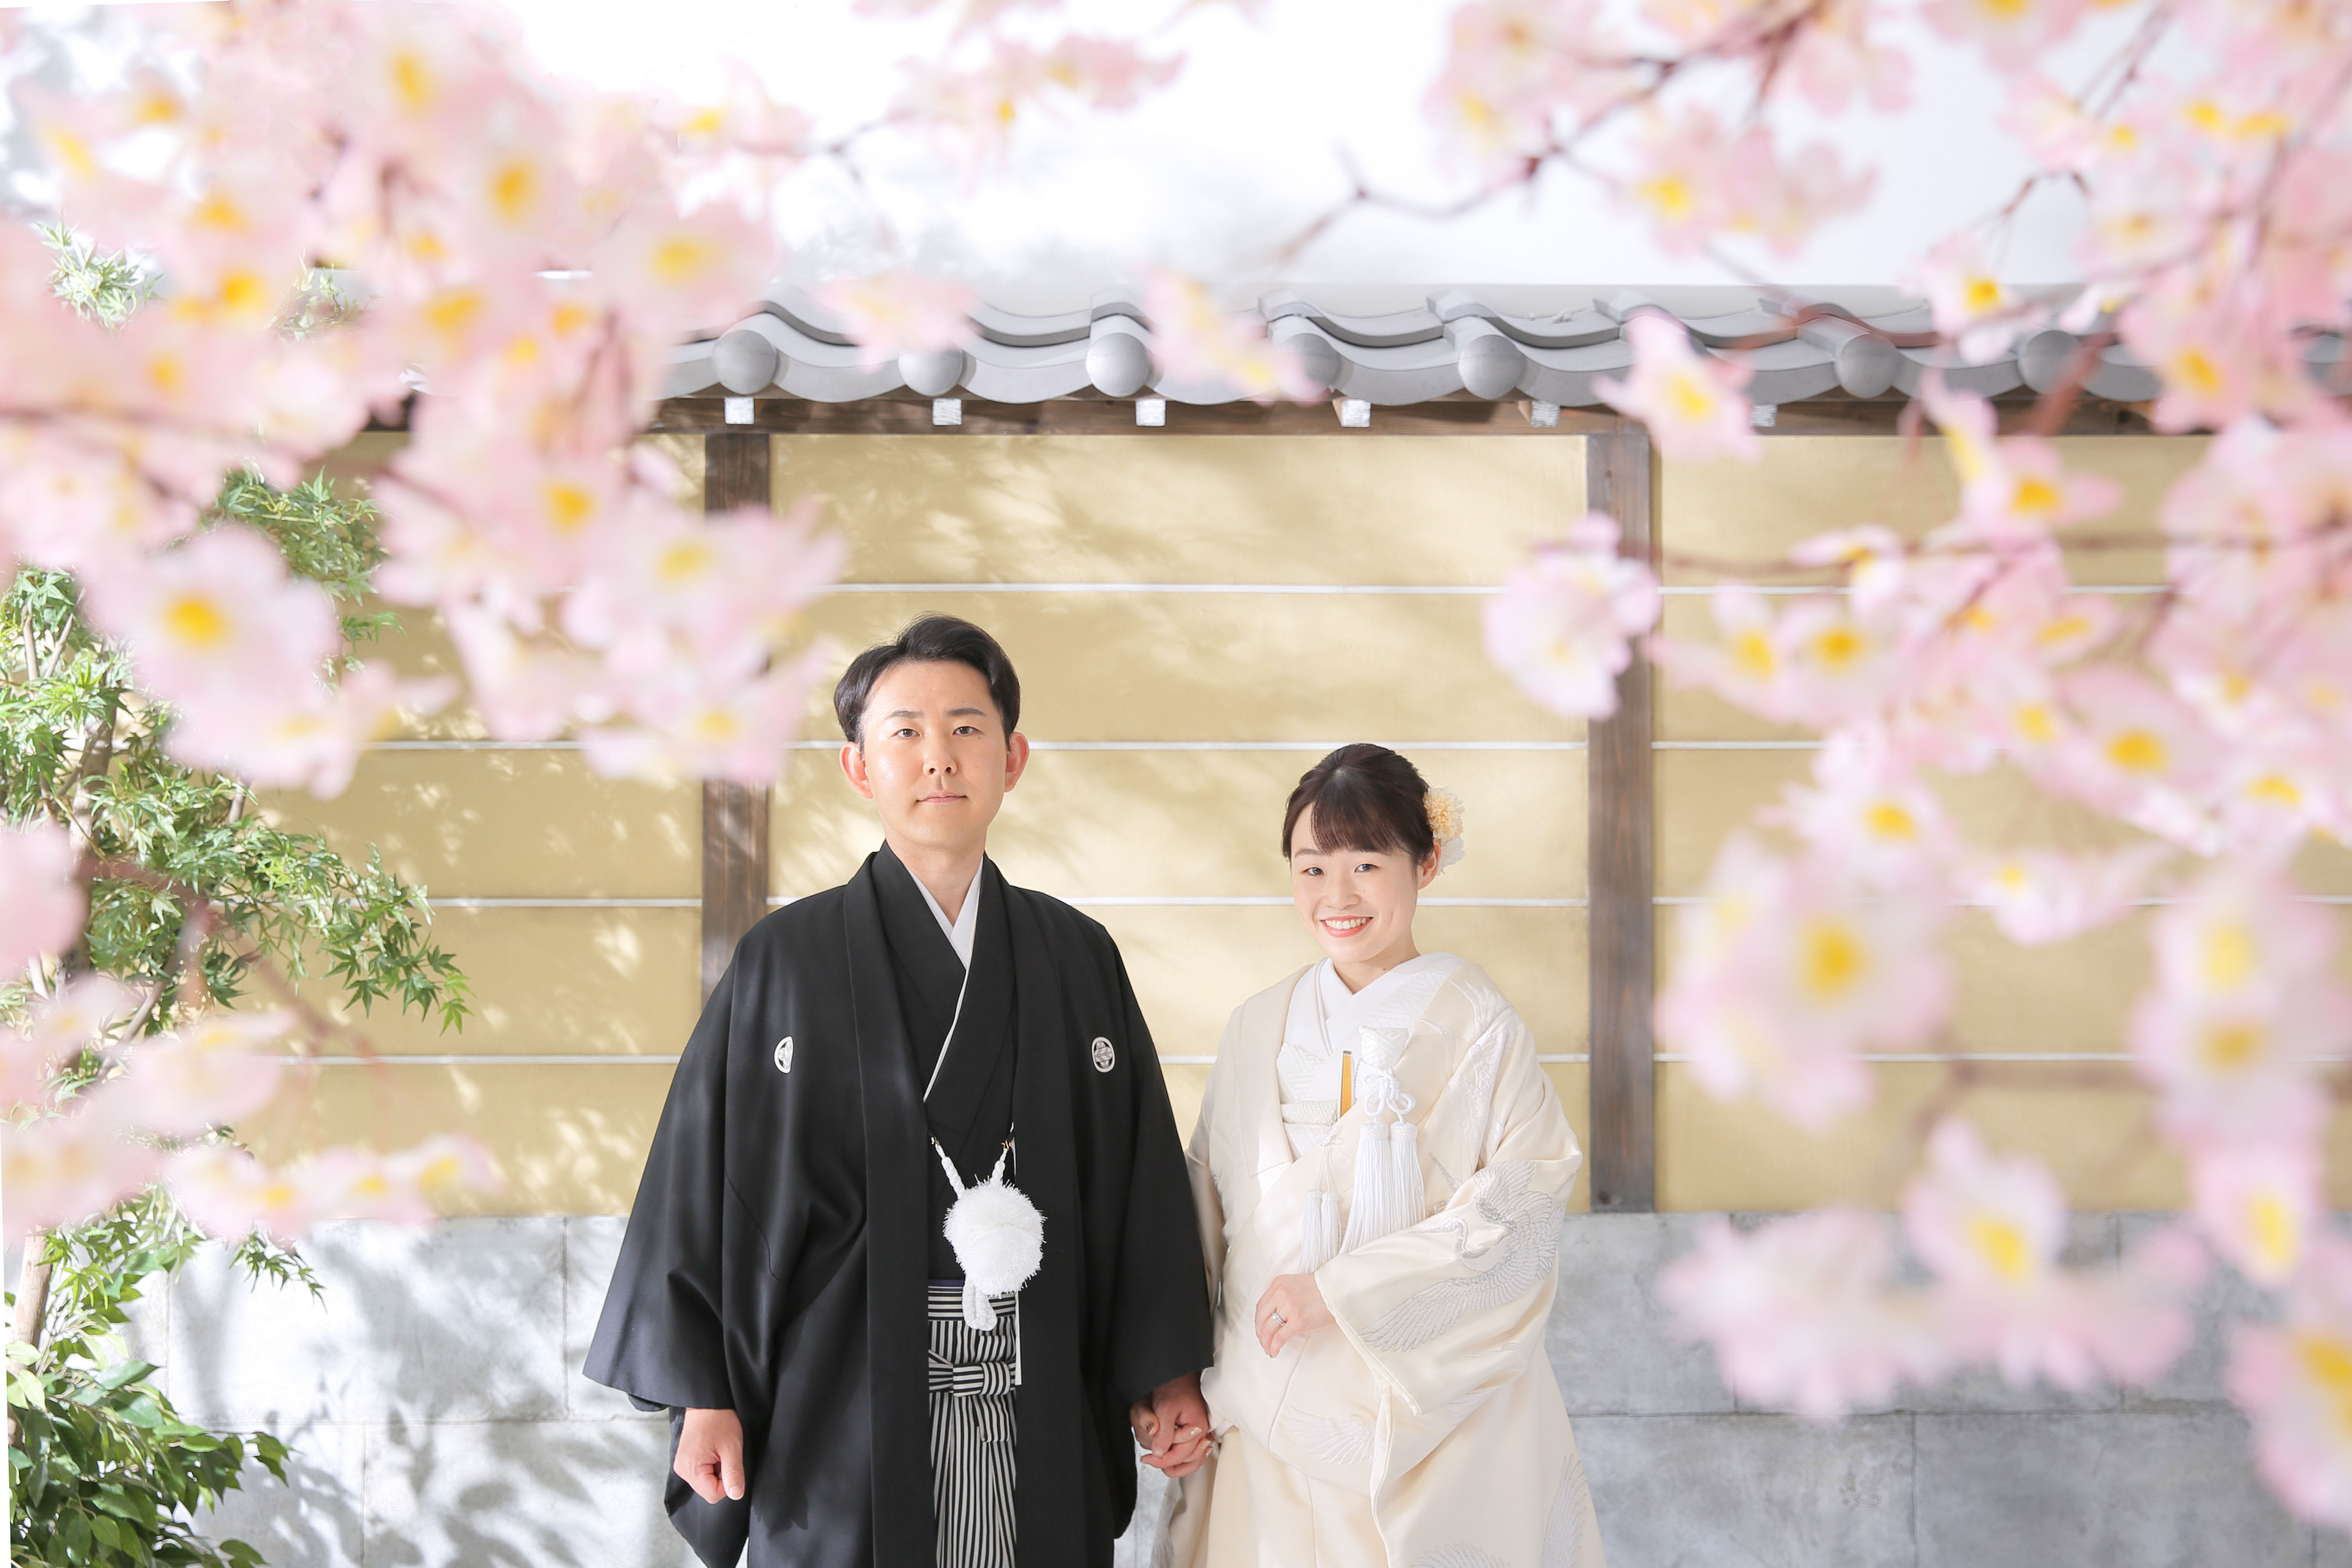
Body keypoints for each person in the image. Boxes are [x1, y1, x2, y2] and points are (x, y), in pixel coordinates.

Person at [586, 614, 1215, 1568]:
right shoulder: (785, 961)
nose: (938, 758)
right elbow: (704, 1183)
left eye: (966, 728)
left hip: (1038, 1380)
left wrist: (1164, 1371)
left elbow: (1137, 1183)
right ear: (858, 767)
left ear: (1013, 757)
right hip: (841, 1401)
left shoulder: (1076, 955)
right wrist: (706, 1393)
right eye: (905, 732)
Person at [1162, 743, 1606, 1568]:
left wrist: (1345, 1290)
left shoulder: (1479, 1024)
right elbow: (1197, 1212)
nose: (1337, 896)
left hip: (1421, 1418)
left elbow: (1521, 1213)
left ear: (1425, 863)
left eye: (1366, 864)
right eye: (1312, 868)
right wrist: (1173, 1378)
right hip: (1263, 1395)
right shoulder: (1257, 1024)